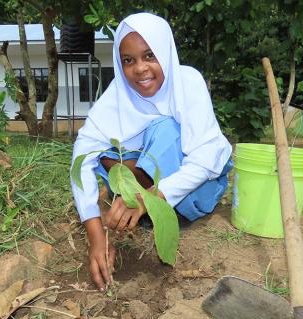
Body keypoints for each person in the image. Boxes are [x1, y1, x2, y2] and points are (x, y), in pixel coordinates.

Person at [71, 13, 232, 291]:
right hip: (145, 196)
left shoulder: (187, 82)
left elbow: (206, 160)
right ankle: (135, 208)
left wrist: (150, 196)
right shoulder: (117, 95)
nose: (140, 69)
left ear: (165, 52)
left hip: (195, 195)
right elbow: (81, 157)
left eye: (149, 56)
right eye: (128, 60)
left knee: (166, 129)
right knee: (104, 153)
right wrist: (97, 237)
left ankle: (139, 204)